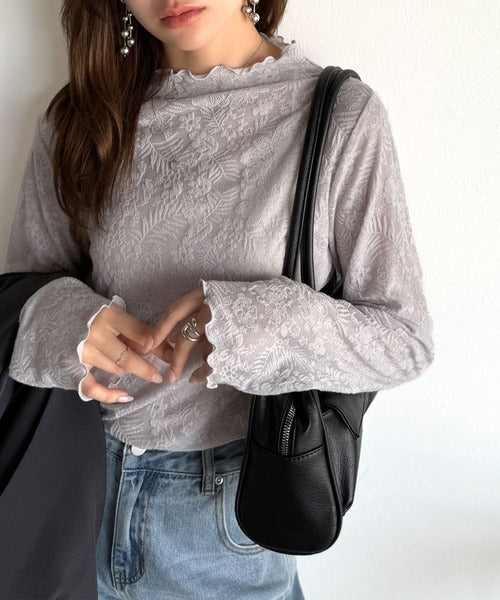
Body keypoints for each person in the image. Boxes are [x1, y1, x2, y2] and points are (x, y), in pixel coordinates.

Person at [3, 0, 434, 598]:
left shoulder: (336, 115)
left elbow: (404, 340)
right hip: (72, 494)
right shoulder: (79, 117)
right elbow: (25, 292)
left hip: (227, 516)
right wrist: (76, 323)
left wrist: (243, 320)